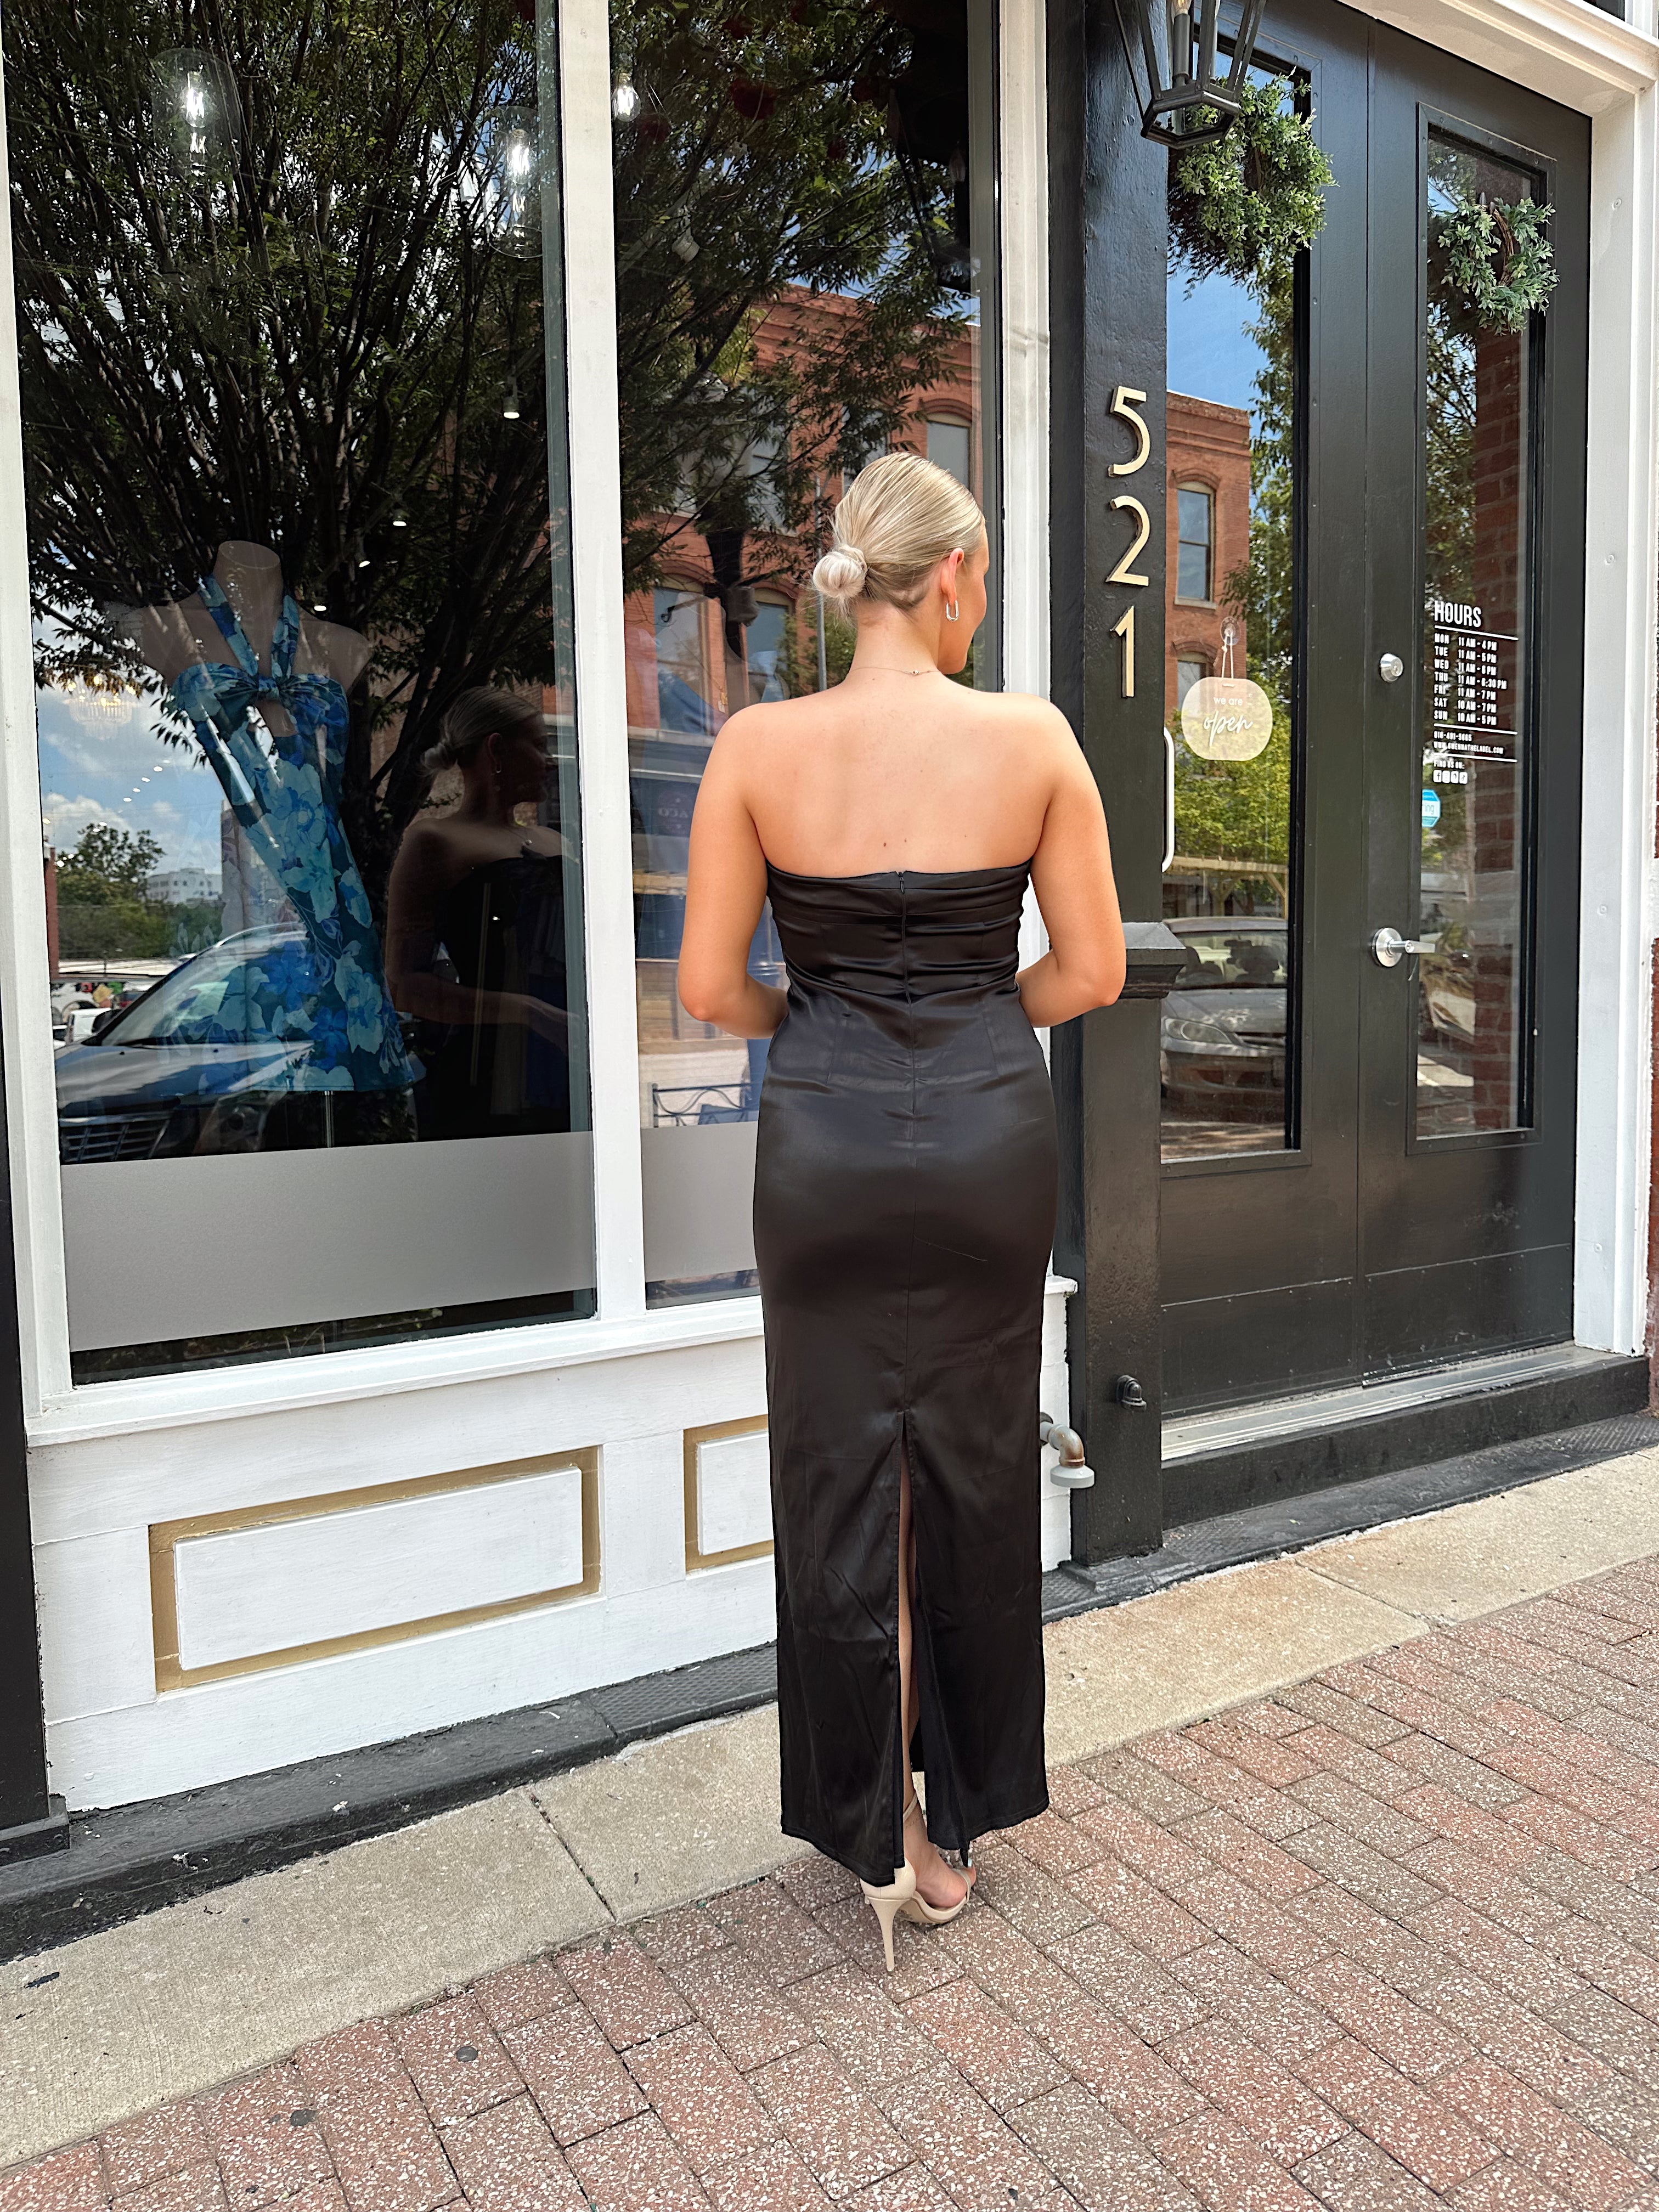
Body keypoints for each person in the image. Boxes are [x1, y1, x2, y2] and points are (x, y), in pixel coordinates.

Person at [678, 451, 1125, 1968]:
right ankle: (961, 1807)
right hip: (989, 1136)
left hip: (824, 1148)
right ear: (950, 579)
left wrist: (826, 1025)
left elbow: (705, 988)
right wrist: (969, 1015)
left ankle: (878, 1828)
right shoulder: (1034, 738)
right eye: (979, 586)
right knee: (976, 1469)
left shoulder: (755, 744)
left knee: (839, 1476)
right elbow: (1093, 973)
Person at [385, 688, 574, 1141]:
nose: (549, 761)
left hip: (569, 1062)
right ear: (495, 750)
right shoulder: (433, 841)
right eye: (539, 745)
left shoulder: (555, 843)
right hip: (489, 1071)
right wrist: (532, 1013)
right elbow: (404, 985)